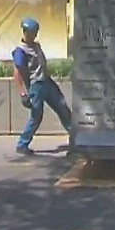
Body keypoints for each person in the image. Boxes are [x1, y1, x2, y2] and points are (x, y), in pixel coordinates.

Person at [12, 16, 73, 156]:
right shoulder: (21, 51)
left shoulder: (36, 46)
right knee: (36, 116)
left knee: (63, 109)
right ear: (25, 32)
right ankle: (22, 143)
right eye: (30, 32)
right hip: (36, 86)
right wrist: (22, 93)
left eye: (34, 32)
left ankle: (76, 139)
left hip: (47, 82)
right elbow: (17, 73)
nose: (33, 35)